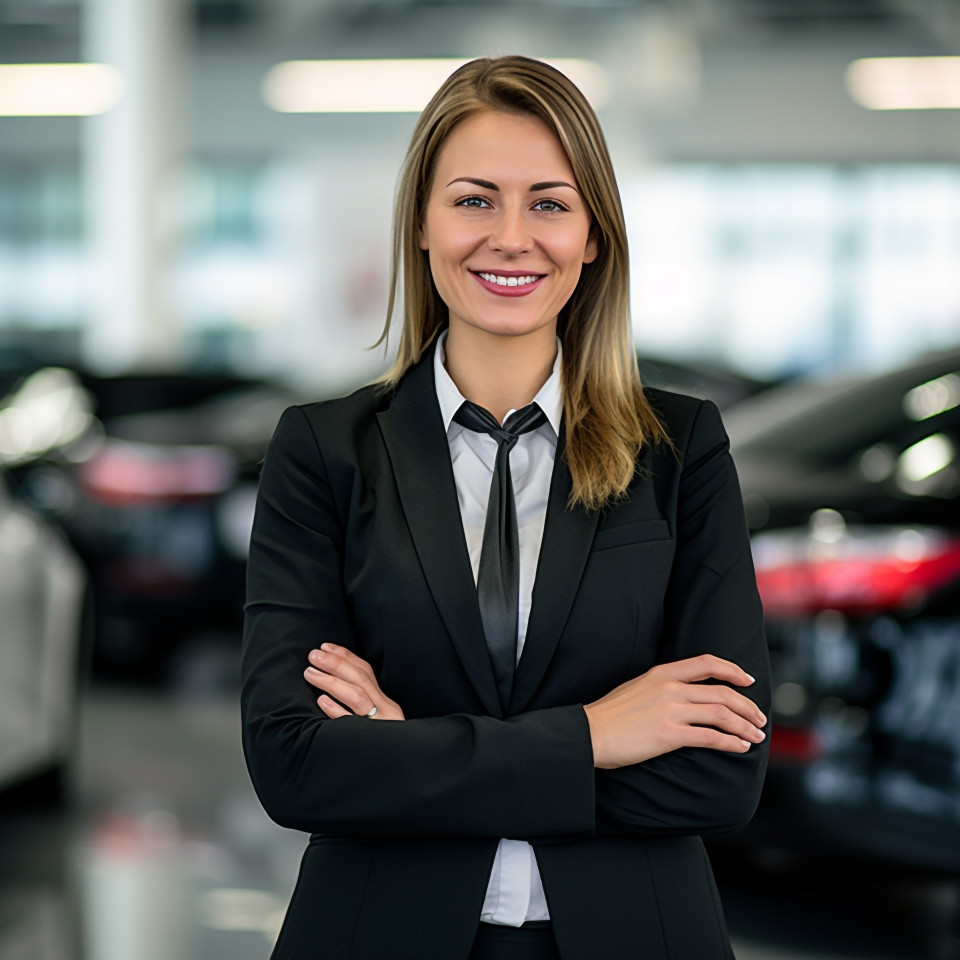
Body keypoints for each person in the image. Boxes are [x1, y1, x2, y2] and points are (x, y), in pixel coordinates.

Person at [241, 55, 770, 960]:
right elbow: (294, 766)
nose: (511, 237)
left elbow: (723, 774)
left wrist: (409, 755)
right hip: (380, 931)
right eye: (475, 200)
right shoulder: (325, 450)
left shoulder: (680, 449)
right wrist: (597, 736)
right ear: (421, 222)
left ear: (594, 236)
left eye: (550, 204)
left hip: (633, 934)